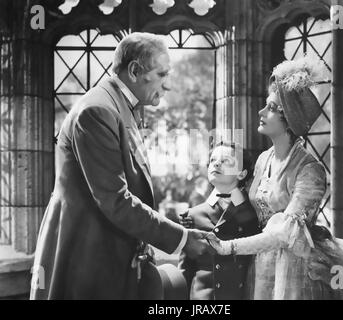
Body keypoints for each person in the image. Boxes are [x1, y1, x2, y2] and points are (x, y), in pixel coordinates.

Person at [30, 32, 211, 300]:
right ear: (136, 71)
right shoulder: (97, 111)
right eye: (162, 74)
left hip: (110, 253)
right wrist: (182, 238)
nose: (167, 85)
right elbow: (115, 199)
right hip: (88, 256)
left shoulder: (120, 105)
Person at [206, 56, 343, 300]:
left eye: (270, 107)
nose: (260, 111)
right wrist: (211, 208)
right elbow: (245, 204)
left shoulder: (310, 169)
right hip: (260, 265)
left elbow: (284, 234)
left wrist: (230, 247)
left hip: (295, 272)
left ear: (289, 117)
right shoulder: (262, 160)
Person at [179, 142, 260, 300]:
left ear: (242, 174)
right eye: (213, 159)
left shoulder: (253, 214)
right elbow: (185, 270)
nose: (216, 163)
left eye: (226, 161)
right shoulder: (192, 215)